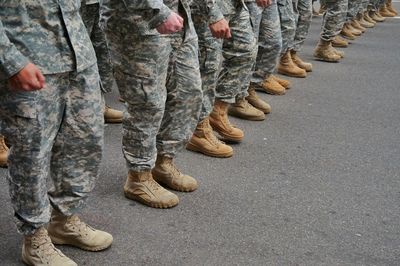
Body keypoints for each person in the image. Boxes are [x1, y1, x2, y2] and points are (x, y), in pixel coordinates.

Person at [0, 1, 113, 265]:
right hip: (28, 59)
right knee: (32, 155)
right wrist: (11, 61)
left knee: (84, 142)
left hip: (79, 55)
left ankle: (63, 220)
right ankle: (35, 238)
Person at [101, 0, 202, 208]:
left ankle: (163, 162)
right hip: (138, 19)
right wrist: (158, 11)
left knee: (187, 90)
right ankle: (139, 176)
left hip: (177, 13)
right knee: (146, 103)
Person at [80, 0, 123, 124]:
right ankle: (82, 107)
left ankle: (99, 103)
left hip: (101, 3)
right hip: (75, 5)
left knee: (103, 51)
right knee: (80, 52)